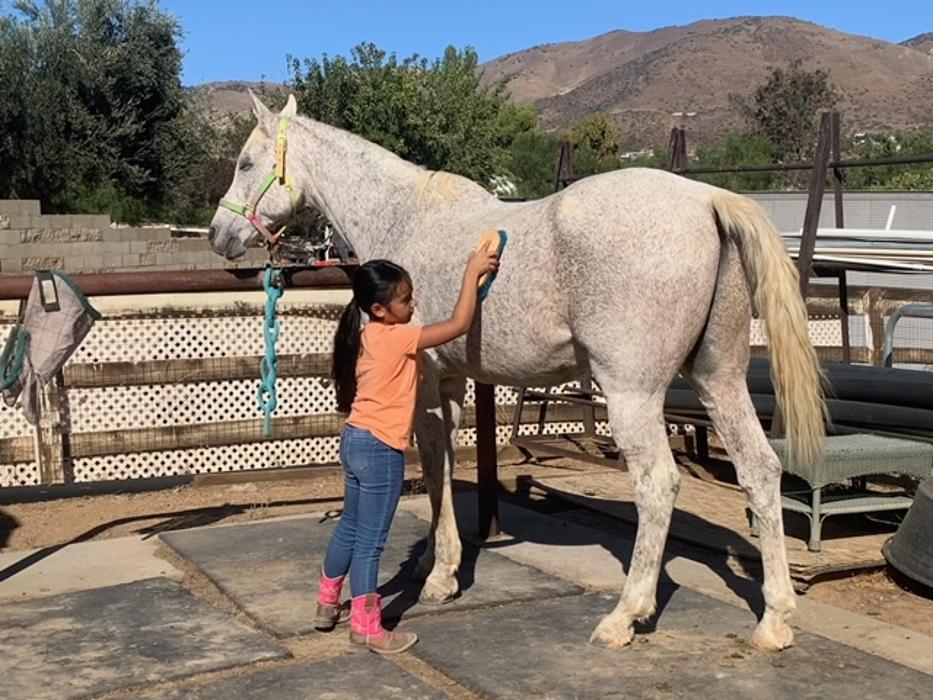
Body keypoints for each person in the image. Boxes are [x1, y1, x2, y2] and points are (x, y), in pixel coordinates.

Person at [314, 248, 500, 654]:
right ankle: (366, 625)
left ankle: (327, 603)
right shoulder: (400, 337)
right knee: (371, 542)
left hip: (355, 439)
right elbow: (459, 324)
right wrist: (472, 274)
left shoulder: (365, 334)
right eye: (405, 298)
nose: (413, 303)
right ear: (380, 309)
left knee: (349, 526)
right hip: (381, 448)